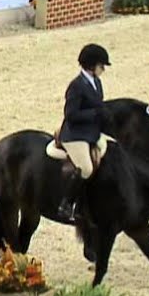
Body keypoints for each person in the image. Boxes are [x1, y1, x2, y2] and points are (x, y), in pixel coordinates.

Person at [58, 43, 110, 222]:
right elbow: (71, 115)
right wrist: (95, 113)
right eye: (101, 65)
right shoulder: (76, 86)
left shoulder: (97, 82)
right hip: (75, 134)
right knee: (86, 168)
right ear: (91, 65)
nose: (103, 68)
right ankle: (67, 204)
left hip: (91, 132)